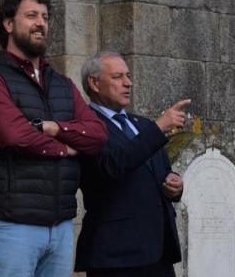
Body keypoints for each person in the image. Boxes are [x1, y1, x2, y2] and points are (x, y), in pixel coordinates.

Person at [0, 0, 108, 277]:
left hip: (58, 228)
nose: (40, 23)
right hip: (10, 227)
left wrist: (55, 127)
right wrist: (65, 147)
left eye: (45, 17)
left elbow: (96, 135)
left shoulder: (61, 83)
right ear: (8, 24)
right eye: (31, 15)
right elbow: (13, 134)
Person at [75, 51, 191, 277]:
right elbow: (111, 166)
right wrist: (158, 128)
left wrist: (174, 184)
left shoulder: (142, 124)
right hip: (116, 256)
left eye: (128, 75)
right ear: (94, 83)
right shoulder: (85, 125)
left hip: (158, 252)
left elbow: (159, 172)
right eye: (118, 77)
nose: (128, 83)